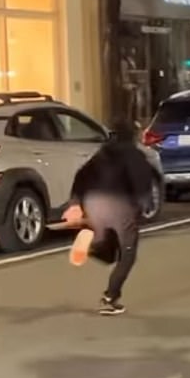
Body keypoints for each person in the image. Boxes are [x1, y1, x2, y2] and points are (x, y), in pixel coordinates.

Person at [62, 120, 153, 315]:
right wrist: (144, 205)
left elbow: (81, 175)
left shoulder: (101, 154)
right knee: (127, 254)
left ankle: (94, 243)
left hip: (94, 203)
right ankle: (110, 297)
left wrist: (75, 203)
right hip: (120, 205)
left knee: (108, 242)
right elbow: (142, 182)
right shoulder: (135, 155)